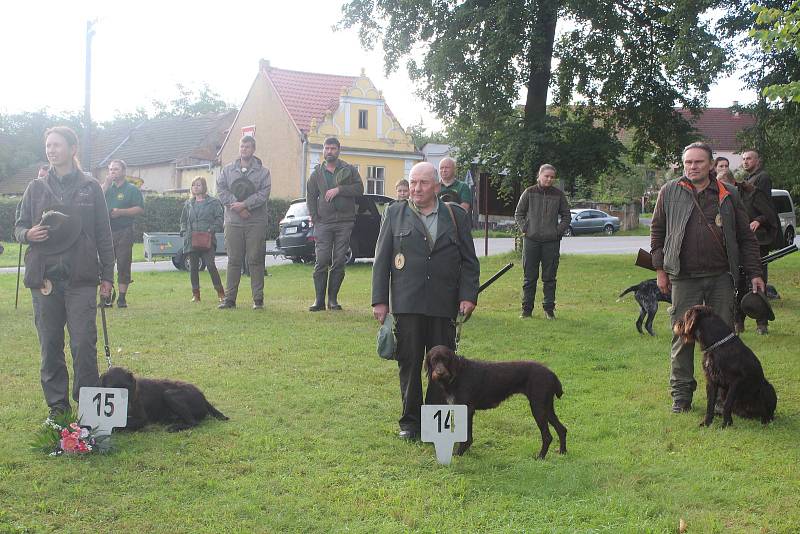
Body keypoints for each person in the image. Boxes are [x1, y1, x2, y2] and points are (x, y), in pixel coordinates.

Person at [650, 142, 764, 414]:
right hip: (684, 278)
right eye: (688, 162)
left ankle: (725, 397)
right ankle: (681, 396)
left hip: (721, 278)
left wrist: (756, 273)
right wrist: (660, 270)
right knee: (682, 338)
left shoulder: (729, 193)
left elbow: (746, 238)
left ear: (711, 165)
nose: (692, 167)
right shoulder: (669, 191)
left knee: (725, 341)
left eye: (698, 162)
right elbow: (657, 232)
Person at [372, 161, 480, 441]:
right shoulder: (395, 213)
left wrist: (468, 295)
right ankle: (410, 423)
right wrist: (379, 301)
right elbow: (381, 260)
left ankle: (435, 424)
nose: (415, 189)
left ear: (435, 186)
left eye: (422, 183)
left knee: (442, 366)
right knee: (409, 362)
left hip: (443, 304)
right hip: (407, 304)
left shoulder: (454, 216)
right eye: (412, 183)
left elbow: (469, 261)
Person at [14, 126, 115, 420]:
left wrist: (107, 276)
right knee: (50, 345)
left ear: (73, 149)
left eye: (57, 145)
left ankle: (88, 409)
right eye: (48, 145)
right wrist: (27, 234)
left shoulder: (90, 187)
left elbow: (103, 234)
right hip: (44, 279)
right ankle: (57, 408)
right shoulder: (35, 188)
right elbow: (18, 227)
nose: (51, 150)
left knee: (84, 343)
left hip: (81, 279)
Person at [718, 170, 779, 334]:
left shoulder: (753, 193)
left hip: (754, 244)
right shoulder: (720, 196)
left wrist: (758, 221)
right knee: (735, 284)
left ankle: (762, 323)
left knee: (757, 283)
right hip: (732, 247)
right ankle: (738, 321)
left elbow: (769, 214)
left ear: (733, 183)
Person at [306, 137, 364, 311]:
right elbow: (310, 196)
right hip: (323, 223)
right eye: (326, 148)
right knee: (322, 260)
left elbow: (360, 189)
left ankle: (333, 300)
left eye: (332, 148)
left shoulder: (349, 169)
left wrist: (339, 189)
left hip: (345, 222)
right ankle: (319, 301)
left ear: (338, 150)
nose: (329, 151)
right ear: (323, 150)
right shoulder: (317, 173)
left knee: (339, 260)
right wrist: (315, 218)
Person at [216, 135, 271, 310]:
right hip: (233, 221)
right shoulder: (227, 170)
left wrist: (246, 204)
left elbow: (264, 194)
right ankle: (230, 299)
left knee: (255, 259)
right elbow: (221, 189)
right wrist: (238, 207)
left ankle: (258, 299)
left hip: (256, 222)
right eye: (242, 146)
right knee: (233, 260)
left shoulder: (263, 172)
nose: (244, 149)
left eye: (247, 146)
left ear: (253, 149)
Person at [514, 164, 571, 319]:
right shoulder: (529, 192)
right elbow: (519, 213)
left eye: (552, 177)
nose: (549, 179)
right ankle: (526, 310)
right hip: (531, 241)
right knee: (529, 277)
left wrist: (557, 232)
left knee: (550, 277)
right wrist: (525, 229)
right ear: (539, 176)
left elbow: (567, 216)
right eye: (546, 176)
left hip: (551, 242)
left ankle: (549, 309)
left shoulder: (559, 195)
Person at [101, 159, 144, 308]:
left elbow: (139, 208)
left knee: (123, 263)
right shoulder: (107, 188)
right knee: (105, 264)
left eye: (116, 169)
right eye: (111, 169)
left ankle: (122, 298)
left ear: (124, 172)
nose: (113, 172)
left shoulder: (131, 189)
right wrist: (105, 185)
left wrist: (121, 212)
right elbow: (95, 200)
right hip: (107, 232)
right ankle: (105, 297)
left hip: (125, 230)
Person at [179, 177, 225, 303]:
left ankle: (221, 293)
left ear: (204, 187)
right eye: (194, 185)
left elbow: (220, 219)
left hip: (207, 239)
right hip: (191, 239)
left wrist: (211, 230)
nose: (196, 187)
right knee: (193, 267)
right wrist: (184, 231)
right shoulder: (188, 204)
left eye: (198, 185)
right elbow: (183, 220)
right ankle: (196, 294)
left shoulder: (214, 202)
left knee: (210, 265)